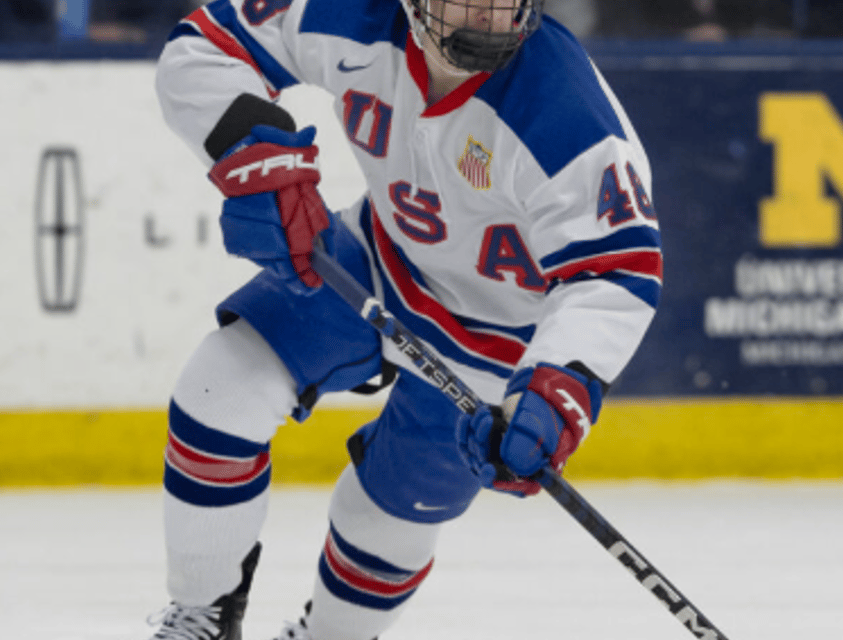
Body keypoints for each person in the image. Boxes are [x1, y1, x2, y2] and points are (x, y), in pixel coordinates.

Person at [146, 1, 662, 640]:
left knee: (384, 516)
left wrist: (557, 389)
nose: (490, 18)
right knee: (219, 389)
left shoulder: (570, 115)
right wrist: (250, 148)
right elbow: (205, 44)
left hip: (498, 345)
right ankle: (203, 614)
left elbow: (615, 272)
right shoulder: (348, 14)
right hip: (377, 265)